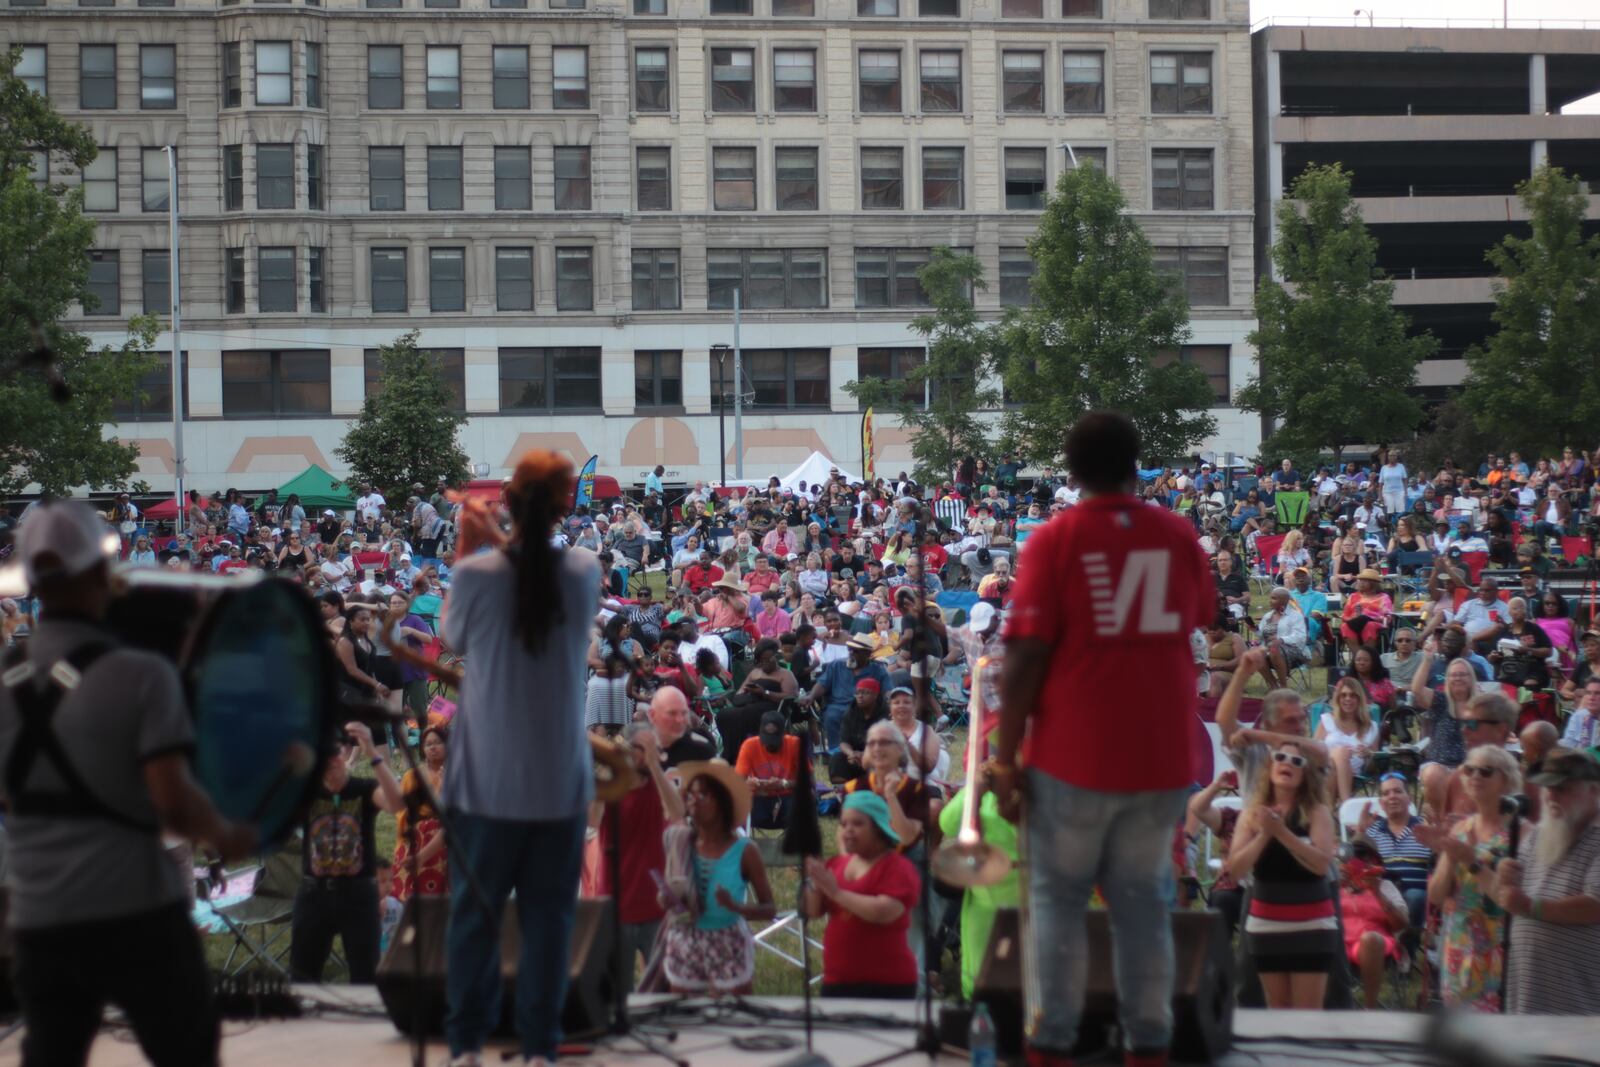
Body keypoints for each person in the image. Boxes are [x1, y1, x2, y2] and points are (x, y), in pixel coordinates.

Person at [991, 412, 1214, 1067]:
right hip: (1161, 755)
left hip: (1073, 753)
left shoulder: (1056, 538)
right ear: (1135, 462)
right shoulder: (1178, 533)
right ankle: (1150, 1044)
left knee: (1057, 901)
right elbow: (1201, 612)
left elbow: (1027, 654)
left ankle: (1051, 1045)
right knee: (1144, 901)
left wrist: (1005, 758)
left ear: (1072, 471)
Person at [0, 501, 258, 1067]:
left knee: (53, 1054)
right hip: (134, 908)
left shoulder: (7, 680)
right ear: (100, 571)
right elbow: (174, 802)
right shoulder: (139, 674)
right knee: (186, 1048)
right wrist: (229, 832)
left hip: (42, 914)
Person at [440, 451, 599, 1067]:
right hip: (558, 783)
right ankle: (538, 1049)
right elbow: (535, 569)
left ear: (506, 500)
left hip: (484, 783)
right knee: (548, 925)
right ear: (565, 503)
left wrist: (470, 543)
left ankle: (465, 1048)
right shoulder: (585, 570)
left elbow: (452, 640)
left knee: (473, 923)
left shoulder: (477, 575)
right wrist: (501, 537)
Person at [1226, 741, 1339, 1010]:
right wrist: (1264, 834)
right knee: (1277, 1011)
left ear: (1305, 773)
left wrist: (1282, 833)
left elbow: (1322, 865)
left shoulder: (1318, 812)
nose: (1287, 763)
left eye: (1296, 761)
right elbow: (1236, 870)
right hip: (1266, 925)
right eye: (1280, 757)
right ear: (1271, 765)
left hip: (1312, 926)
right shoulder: (1252, 815)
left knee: (1307, 1014)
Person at [292, 721, 405, 983]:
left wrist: (373, 754)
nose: (331, 761)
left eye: (335, 753)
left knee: (366, 976)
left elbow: (397, 803)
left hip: (358, 893)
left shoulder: (363, 789)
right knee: (302, 977)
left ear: (345, 752)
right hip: (314, 891)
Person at [1493, 749, 1600, 1014]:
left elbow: (1595, 906)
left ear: (1594, 791)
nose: (1551, 795)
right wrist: (1505, 879)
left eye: (1562, 788)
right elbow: (1512, 897)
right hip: (1529, 994)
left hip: (1579, 1004)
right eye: (1547, 787)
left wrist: (1531, 907)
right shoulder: (1540, 833)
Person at [657, 761, 775, 994]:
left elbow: (769, 908)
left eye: (704, 795)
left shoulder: (745, 851)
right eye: (691, 795)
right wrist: (666, 899)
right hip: (685, 940)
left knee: (732, 1020)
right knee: (687, 1021)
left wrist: (735, 907)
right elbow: (670, 890)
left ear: (723, 803)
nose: (694, 801)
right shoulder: (680, 842)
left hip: (728, 943)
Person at [1424, 744, 1522, 1012]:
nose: (1475, 776)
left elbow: (1510, 899)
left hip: (1500, 947)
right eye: (1469, 770)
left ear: (1506, 780)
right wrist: (1451, 856)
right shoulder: (1461, 828)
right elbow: (1435, 895)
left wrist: (1470, 860)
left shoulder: (1519, 832)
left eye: (1486, 771)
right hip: (1459, 942)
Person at [803, 792, 921, 999]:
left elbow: (883, 912)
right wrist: (814, 878)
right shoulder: (836, 864)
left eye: (857, 824)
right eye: (844, 824)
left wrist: (836, 892)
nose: (848, 830)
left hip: (888, 984)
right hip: (837, 980)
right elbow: (812, 911)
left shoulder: (898, 867)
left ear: (878, 828)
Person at [594, 724, 675, 992]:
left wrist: (654, 767)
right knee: (618, 992)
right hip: (614, 905)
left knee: (661, 989)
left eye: (654, 749)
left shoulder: (659, 784)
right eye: (642, 749)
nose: (648, 755)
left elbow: (676, 813)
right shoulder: (612, 788)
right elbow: (592, 820)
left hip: (655, 906)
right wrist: (606, 774)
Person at [936, 778, 1020, 1000]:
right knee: (978, 977)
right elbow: (948, 822)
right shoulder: (984, 786)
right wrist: (975, 790)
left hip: (1026, 894)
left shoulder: (1040, 785)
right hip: (982, 898)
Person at [1338, 839, 1411, 1009]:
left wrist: (1377, 893)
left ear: (1374, 861)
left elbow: (1402, 924)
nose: (1358, 860)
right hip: (1340, 943)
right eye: (1353, 856)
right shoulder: (1338, 886)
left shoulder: (1385, 886)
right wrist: (1336, 887)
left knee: (1370, 939)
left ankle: (1370, 1009)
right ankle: (1331, 1008)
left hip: (1376, 944)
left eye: (1364, 856)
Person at [1359, 773, 1433, 927]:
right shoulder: (1372, 831)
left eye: (1398, 791)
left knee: (1415, 896)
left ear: (1409, 798)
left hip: (1416, 897)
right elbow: (1355, 865)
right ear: (1381, 802)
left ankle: (1406, 942)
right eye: (1386, 793)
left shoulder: (1425, 828)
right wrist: (1360, 834)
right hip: (1383, 896)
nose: (1392, 797)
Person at [392, 725, 449, 900]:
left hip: (447, 835)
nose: (432, 747)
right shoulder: (412, 776)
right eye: (428, 744)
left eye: (438, 742)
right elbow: (402, 810)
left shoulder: (457, 773)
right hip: (417, 836)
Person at [1186, 769, 1244, 933]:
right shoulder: (1233, 818)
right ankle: (1217, 957)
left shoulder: (1282, 819)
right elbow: (1198, 808)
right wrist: (1216, 786)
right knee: (1222, 898)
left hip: (1268, 890)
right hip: (1234, 890)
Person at [735, 710, 802, 830]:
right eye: (766, 741)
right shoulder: (749, 745)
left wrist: (784, 784)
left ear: (784, 733)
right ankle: (743, 845)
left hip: (788, 798)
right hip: (759, 800)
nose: (770, 745)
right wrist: (749, 784)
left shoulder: (794, 744)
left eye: (775, 741)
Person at [1258, 586, 1309, 691]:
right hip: (1269, 649)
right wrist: (1254, 629)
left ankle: (1283, 687)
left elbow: (1300, 636)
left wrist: (1281, 640)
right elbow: (1261, 634)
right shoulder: (1267, 616)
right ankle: (1273, 685)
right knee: (1255, 653)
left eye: (1274, 598)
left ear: (1284, 600)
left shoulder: (1295, 616)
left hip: (1294, 650)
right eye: (1271, 598)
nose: (1270, 601)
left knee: (1274, 648)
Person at [1340, 569, 1391, 649]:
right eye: (1360, 580)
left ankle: (1368, 655)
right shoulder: (1353, 596)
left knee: (1369, 624)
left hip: (1374, 623)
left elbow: (1387, 618)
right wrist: (1355, 617)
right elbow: (1344, 616)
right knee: (1345, 626)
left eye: (1365, 581)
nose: (1361, 582)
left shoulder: (1383, 597)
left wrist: (1371, 618)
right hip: (1355, 623)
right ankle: (1357, 657)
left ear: (1373, 584)